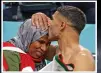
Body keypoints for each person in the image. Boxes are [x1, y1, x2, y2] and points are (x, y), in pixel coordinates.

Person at [31, 5, 95, 71]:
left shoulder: (82, 57)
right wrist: (37, 17)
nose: (48, 23)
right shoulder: (57, 51)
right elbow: (28, 44)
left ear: (62, 25)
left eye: (52, 19)